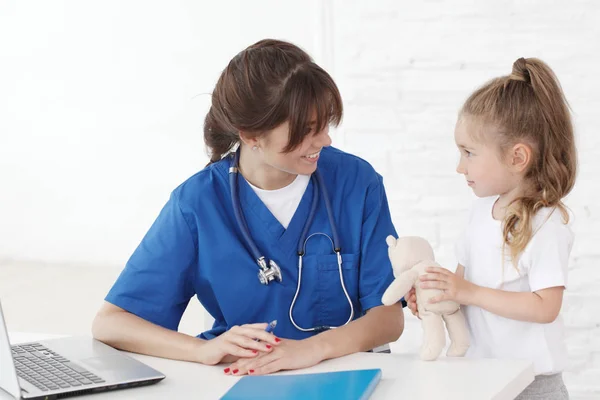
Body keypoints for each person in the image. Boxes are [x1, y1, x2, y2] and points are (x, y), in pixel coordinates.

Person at [92, 39, 404, 377]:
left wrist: (310, 351)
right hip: (243, 377)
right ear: (251, 135)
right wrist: (203, 350)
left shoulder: (355, 182)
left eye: (326, 124)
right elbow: (111, 323)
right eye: (307, 130)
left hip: (344, 370)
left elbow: (388, 318)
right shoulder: (198, 203)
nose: (325, 140)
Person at [407, 57, 576, 399]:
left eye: (469, 153)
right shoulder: (478, 214)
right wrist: (438, 296)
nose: (460, 166)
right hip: (481, 378)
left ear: (517, 158)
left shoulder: (546, 224)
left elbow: (546, 307)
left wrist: (467, 292)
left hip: (533, 385)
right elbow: (461, 287)